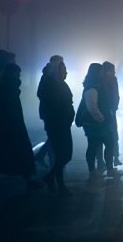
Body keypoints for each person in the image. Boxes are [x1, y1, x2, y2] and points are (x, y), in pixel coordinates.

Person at [0, 63, 44, 191]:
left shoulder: (4, 87)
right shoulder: (7, 89)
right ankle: (27, 180)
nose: (19, 77)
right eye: (17, 74)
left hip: (2, 126)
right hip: (10, 125)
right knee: (19, 152)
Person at [37, 56, 75, 196]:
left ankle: (53, 178)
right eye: (64, 70)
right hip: (56, 124)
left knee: (64, 155)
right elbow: (54, 105)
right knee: (62, 155)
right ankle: (56, 181)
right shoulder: (50, 85)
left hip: (63, 124)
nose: (66, 72)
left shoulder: (61, 84)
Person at [79, 63, 121, 181]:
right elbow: (92, 107)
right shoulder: (92, 87)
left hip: (101, 122)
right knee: (93, 146)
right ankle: (93, 170)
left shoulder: (98, 85)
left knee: (108, 143)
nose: (103, 73)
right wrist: (101, 118)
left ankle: (109, 169)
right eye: (101, 71)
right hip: (94, 124)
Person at [95, 61, 122, 170]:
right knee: (104, 138)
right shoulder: (100, 82)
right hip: (105, 112)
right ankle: (101, 161)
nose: (114, 72)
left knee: (114, 136)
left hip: (111, 111)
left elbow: (116, 95)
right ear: (106, 72)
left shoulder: (113, 80)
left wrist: (114, 107)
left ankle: (115, 158)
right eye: (112, 71)